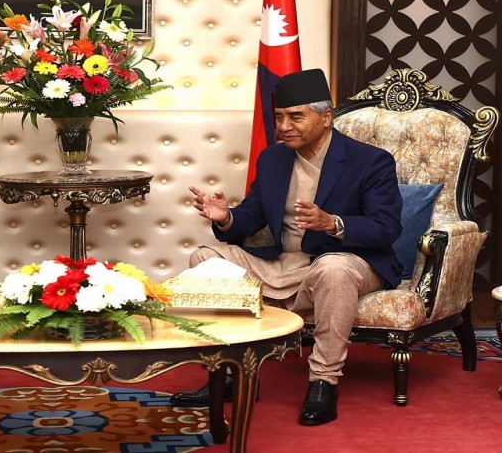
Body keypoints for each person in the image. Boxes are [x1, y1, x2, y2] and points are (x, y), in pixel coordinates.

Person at [170, 68, 402, 426]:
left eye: (296, 116)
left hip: (349, 261)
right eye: (279, 117)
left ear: (326, 117)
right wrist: (226, 217)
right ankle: (228, 373)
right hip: (282, 263)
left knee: (333, 268)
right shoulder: (273, 158)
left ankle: (323, 382)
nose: (284, 126)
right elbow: (252, 216)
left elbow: (386, 228)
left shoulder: (370, 160)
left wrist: (333, 223)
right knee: (205, 258)